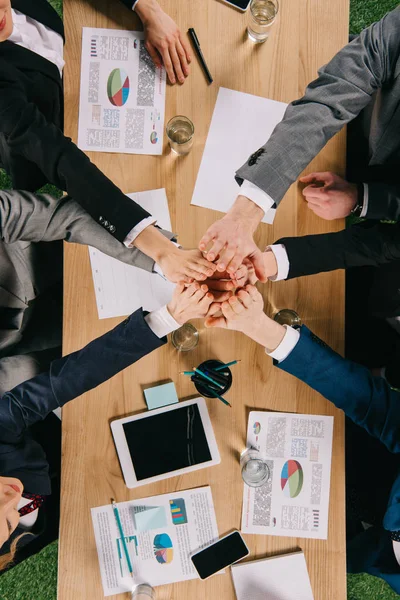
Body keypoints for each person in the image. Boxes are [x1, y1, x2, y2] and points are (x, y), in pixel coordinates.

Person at [0, 279, 215, 570]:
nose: (11, 498)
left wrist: (167, 318)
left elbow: (61, 383)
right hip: (73, 483)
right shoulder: (14, 533)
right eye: (8, 521)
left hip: (41, 434)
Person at [205, 285, 400, 595]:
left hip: (383, 548)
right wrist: (264, 330)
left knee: (345, 554)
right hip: (377, 462)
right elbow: (367, 402)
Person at [0, 0, 211, 283]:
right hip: (36, 141)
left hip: (73, 78)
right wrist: (159, 249)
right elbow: (56, 155)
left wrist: (147, 9)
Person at [199, 6, 400, 276]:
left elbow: (390, 244)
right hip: (367, 113)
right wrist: (245, 213)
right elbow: (344, 83)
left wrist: (275, 262)